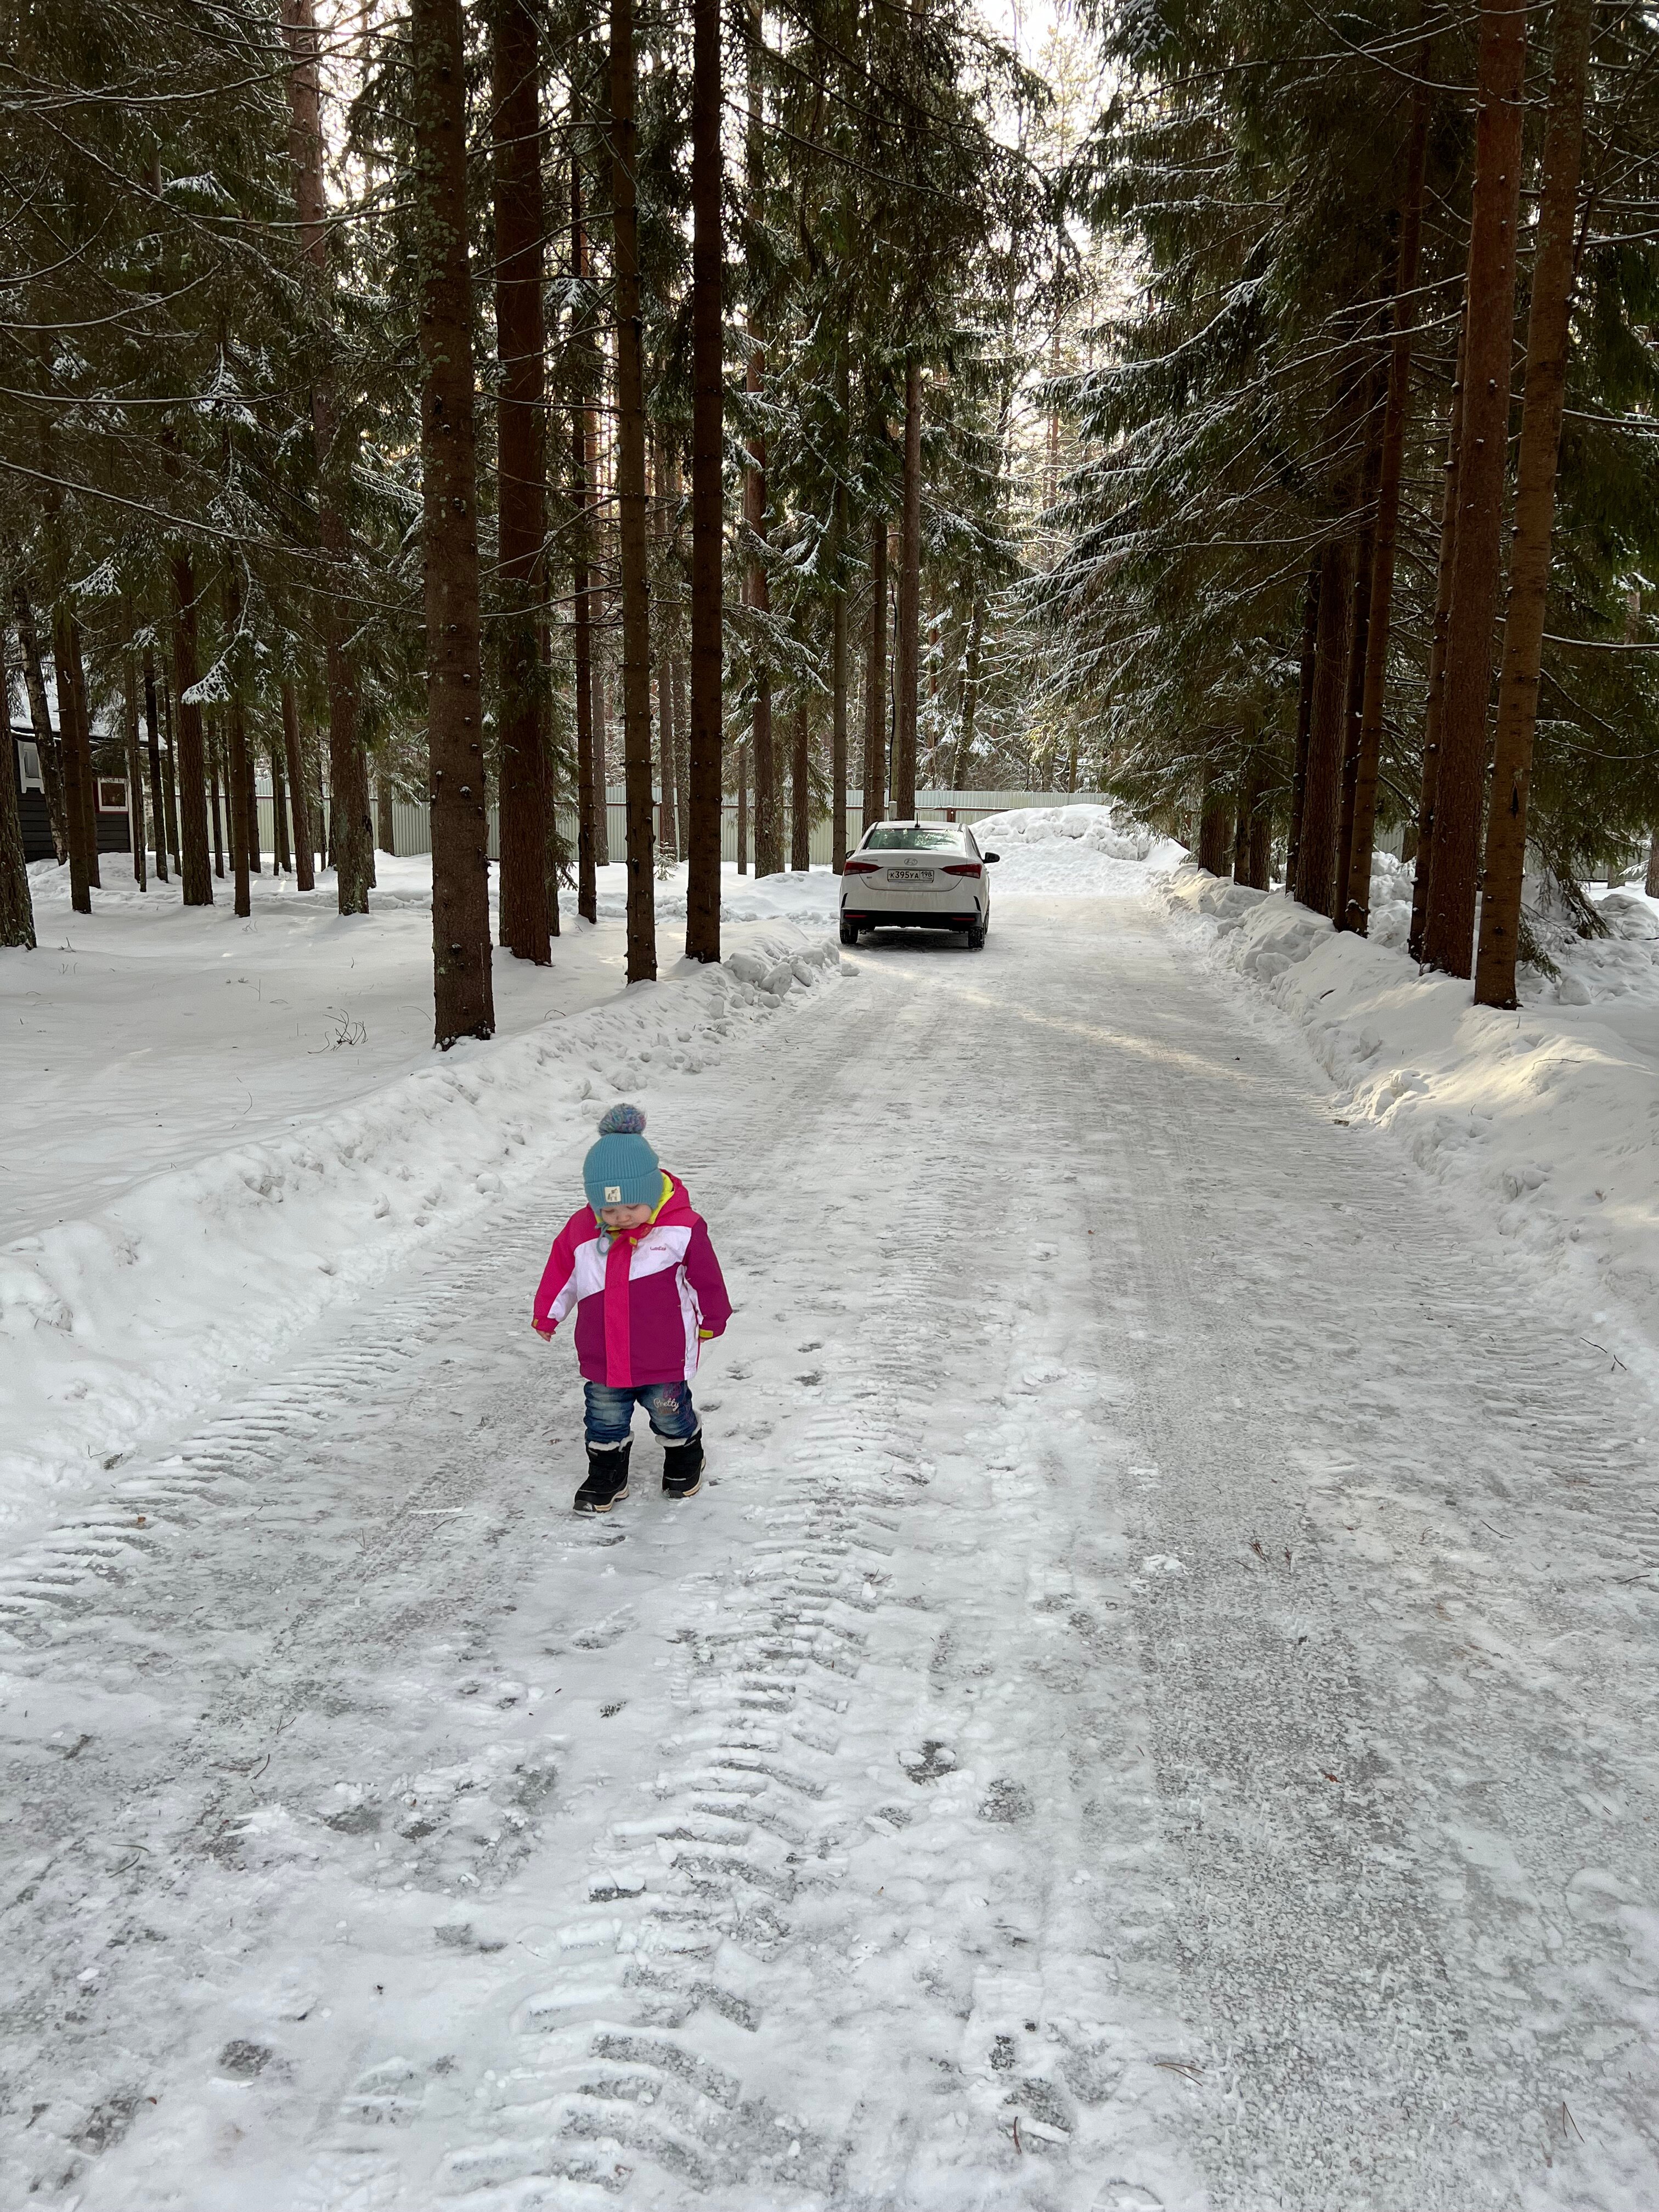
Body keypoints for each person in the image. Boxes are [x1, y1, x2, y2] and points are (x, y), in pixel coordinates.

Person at [533, 1104, 731, 1514]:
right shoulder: (581, 1232)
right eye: (609, 1211)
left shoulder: (682, 1229)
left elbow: (706, 1279)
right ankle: (607, 1471)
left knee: (668, 1412)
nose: (621, 1218)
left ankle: (684, 1453)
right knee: (603, 1416)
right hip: (603, 1351)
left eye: (631, 1209)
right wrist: (549, 1312)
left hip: (662, 1350)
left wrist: (714, 1318)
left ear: (652, 1192)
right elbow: (562, 1274)